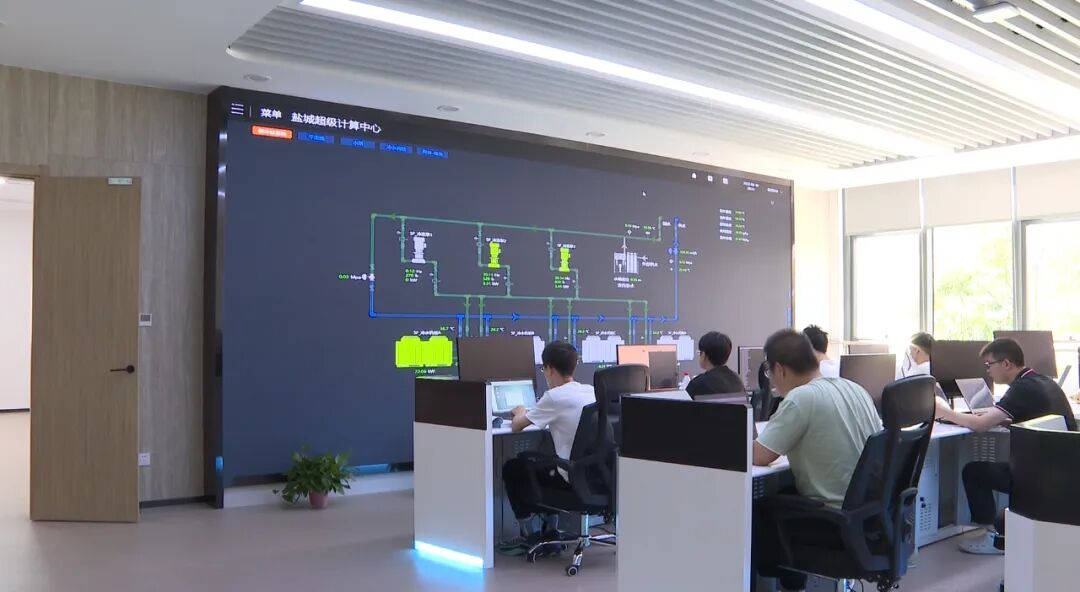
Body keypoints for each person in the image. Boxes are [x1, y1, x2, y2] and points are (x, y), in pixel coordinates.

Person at [752, 329, 883, 592]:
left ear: (780, 369)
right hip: (867, 513)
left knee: (760, 509)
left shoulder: (801, 398)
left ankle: (788, 587)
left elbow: (760, 456)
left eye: (769, 373)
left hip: (832, 519)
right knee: (784, 491)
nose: (771, 381)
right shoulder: (854, 388)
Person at [933, 337, 1076, 554]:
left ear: (1006, 363)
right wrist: (1003, 419)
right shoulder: (1041, 381)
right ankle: (998, 532)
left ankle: (994, 538)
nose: (988, 371)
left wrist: (945, 412)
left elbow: (980, 425)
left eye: (989, 365)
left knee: (973, 472)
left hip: (1039, 477)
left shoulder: (1021, 389)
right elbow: (1035, 418)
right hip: (1062, 471)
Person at [500, 340, 596, 547]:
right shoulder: (591, 391)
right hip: (597, 477)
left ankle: (527, 533)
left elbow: (517, 425)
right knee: (547, 462)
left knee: (513, 468)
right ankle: (551, 528)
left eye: (544, 370)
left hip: (572, 481)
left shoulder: (553, 397)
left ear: (550, 369)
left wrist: (520, 411)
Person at [685, 331, 745, 399]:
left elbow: (682, 403)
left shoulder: (697, 383)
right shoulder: (737, 380)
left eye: (700, 352)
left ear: (703, 355)